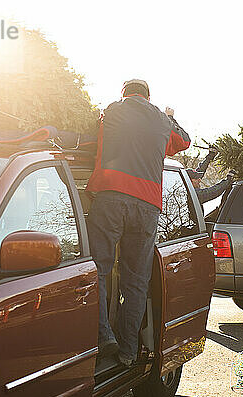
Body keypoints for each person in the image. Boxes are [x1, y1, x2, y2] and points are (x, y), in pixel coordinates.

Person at [85, 79, 191, 366]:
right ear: (147, 96)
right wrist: (171, 117)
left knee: (99, 269)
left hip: (111, 198)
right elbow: (184, 141)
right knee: (135, 282)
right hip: (147, 206)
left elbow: (93, 131)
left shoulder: (112, 110)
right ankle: (128, 352)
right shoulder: (160, 120)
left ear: (124, 93)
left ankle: (103, 334)